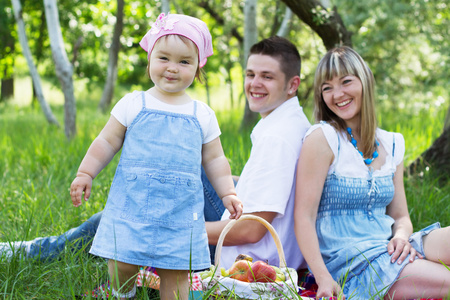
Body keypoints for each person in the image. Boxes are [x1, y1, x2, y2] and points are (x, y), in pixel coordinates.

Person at [0, 35, 310, 279]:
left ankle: (28, 252)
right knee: (173, 166)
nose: (254, 84)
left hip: (246, 250)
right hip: (236, 216)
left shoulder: (277, 138)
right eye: (251, 74)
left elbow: (252, 229)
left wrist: (164, 227)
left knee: (125, 216)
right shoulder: (287, 122)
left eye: (267, 77)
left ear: (292, 84)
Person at [70, 13, 243, 300]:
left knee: (176, 276)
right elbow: (106, 141)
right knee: (121, 262)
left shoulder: (202, 114)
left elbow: (215, 160)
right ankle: (121, 293)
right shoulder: (133, 103)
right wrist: (85, 173)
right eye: (164, 58)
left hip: (180, 214)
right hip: (133, 205)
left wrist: (228, 193)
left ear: (198, 67)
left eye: (184, 62)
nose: (172, 68)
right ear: (149, 58)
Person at [294, 46, 450, 299]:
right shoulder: (323, 138)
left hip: (390, 247)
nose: (337, 94)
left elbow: (400, 215)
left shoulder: (392, 143)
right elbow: (303, 217)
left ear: (364, 82)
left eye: (346, 82)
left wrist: (401, 236)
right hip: (353, 263)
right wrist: (323, 278)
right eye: (327, 88)